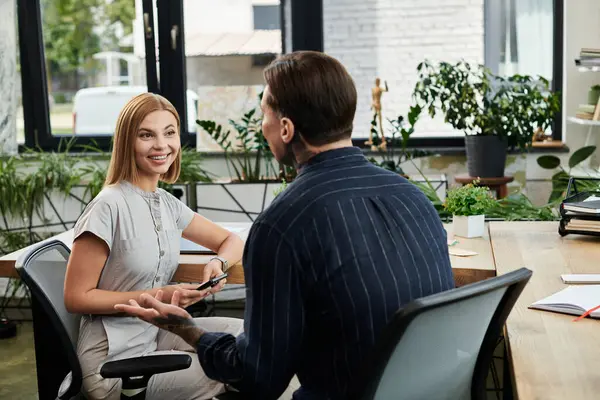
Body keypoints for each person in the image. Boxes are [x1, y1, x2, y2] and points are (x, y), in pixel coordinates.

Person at [116, 51, 455, 399]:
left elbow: (258, 379)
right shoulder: (413, 198)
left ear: (286, 128)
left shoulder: (282, 225)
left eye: (264, 113)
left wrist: (188, 329)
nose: (262, 126)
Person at [63, 93, 245, 400]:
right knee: (243, 365)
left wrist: (219, 264)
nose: (162, 145)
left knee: (250, 338)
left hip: (156, 334)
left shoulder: (166, 203)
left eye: (169, 132)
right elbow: (76, 297)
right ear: (127, 143)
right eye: (147, 135)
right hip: (112, 362)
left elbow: (231, 240)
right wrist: (156, 296)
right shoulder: (108, 206)